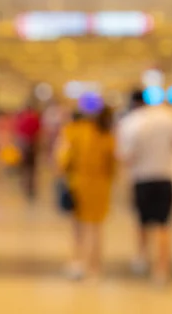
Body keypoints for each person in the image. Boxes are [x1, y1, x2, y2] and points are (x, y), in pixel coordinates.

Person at [117, 90, 172, 286]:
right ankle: (162, 269)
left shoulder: (131, 122)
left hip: (141, 179)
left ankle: (142, 256)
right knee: (164, 225)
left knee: (142, 221)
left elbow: (126, 157)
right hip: (165, 177)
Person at [57, 107, 116, 280]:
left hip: (78, 183)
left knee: (78, 227)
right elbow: (112, 165)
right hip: (101, 186)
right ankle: (95, 267)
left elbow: (63, 159)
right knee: (96, 229)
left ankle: (77, 262)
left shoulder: (74, 132)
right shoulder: (107, 136)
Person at [14, 104, 42, 202]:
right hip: (33, 144)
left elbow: (18, 132)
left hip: (24, 144)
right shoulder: (35, 118)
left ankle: (24, 183)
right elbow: (39, 132)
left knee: (24, 166)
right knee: (32, 168)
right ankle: (30, 185)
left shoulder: (22, 118)